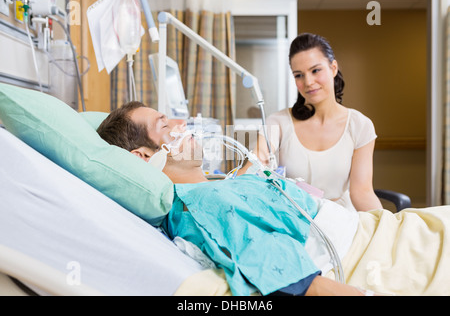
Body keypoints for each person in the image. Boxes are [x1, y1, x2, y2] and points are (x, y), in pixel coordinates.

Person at [97, 102, 450, 296]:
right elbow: (285, 272)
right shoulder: (201, 202)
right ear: (144, 157)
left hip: (383, 231)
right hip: (374, 253)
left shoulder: (219, 184)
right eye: (164, 124)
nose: (181, 121)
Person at [246, 33, 382, 212]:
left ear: (333, 68)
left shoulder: (359, 125)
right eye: (299, 75)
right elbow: (251, 170)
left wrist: (387, 227)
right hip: (292, 219)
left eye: (316, 70)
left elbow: (362, 192)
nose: (308, 82)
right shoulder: (277, 123)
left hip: (341, 222)